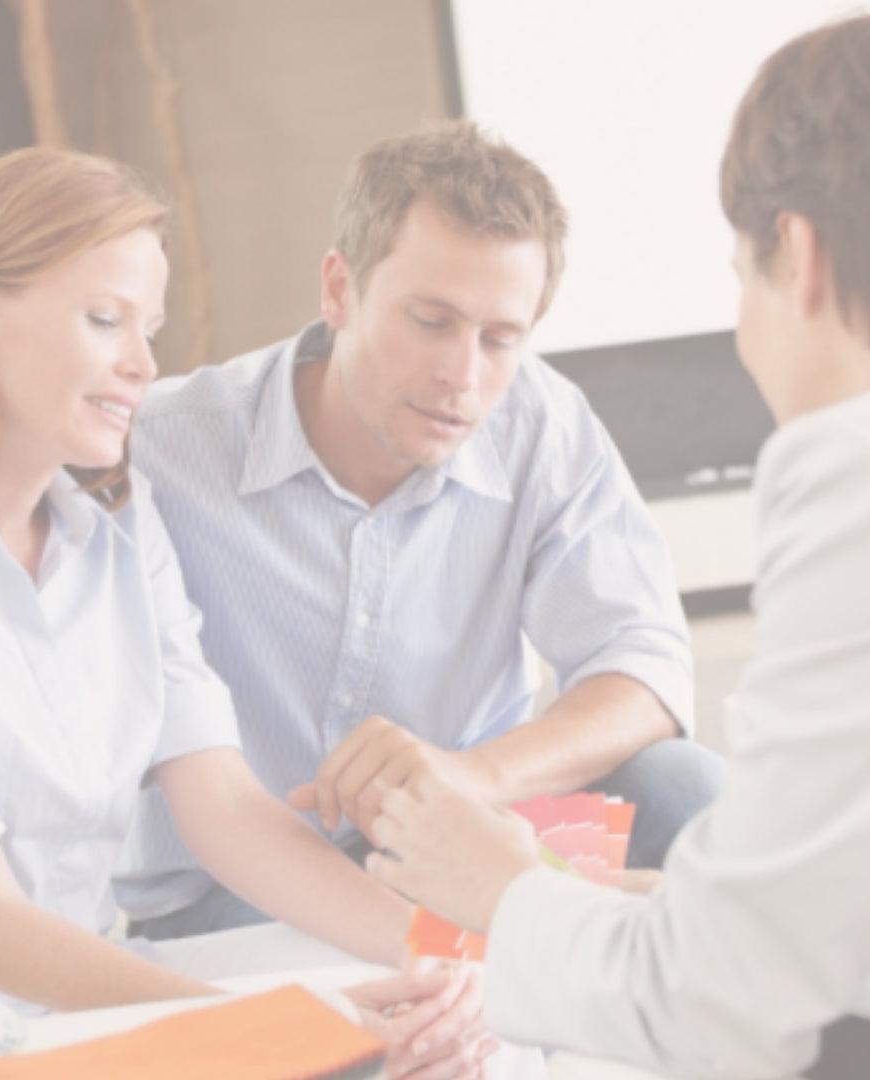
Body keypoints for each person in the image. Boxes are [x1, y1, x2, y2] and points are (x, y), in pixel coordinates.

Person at [0, 123, 724, 941]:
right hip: (231, 890)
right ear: (339, 288)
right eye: (430, 321)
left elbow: (644, 663)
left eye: (500, 338)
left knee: (683, 791)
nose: (463, 376)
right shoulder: (143, 449)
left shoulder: (542, 428)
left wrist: (474, 777)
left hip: (466, 835)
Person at [0, 147, 498, 1080]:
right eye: (102, 319)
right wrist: (280, 1034)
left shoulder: (122, 526)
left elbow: (228, 811)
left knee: (447, 1018)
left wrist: (447, 955)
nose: (141, 364)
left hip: (69, 1011)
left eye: (149, 327)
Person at [362, 14, 870, 1079]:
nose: (466, 372)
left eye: (742, 278)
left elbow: (729, 996)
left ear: (799, 257)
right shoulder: (176, 444)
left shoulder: (847, 496)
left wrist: (503, 881)